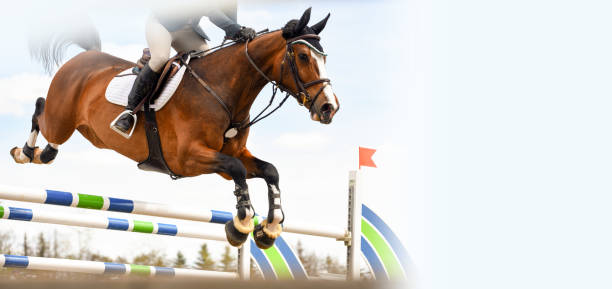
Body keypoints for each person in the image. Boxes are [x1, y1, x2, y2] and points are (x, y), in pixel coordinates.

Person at [111, 0, 256, 138]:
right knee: (160, 58)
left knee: (209, 65)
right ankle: (129, 112)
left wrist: (239, 33)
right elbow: (210, 10)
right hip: (162, 25)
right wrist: (237, 29)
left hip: (187, 30)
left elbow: (229, 16)